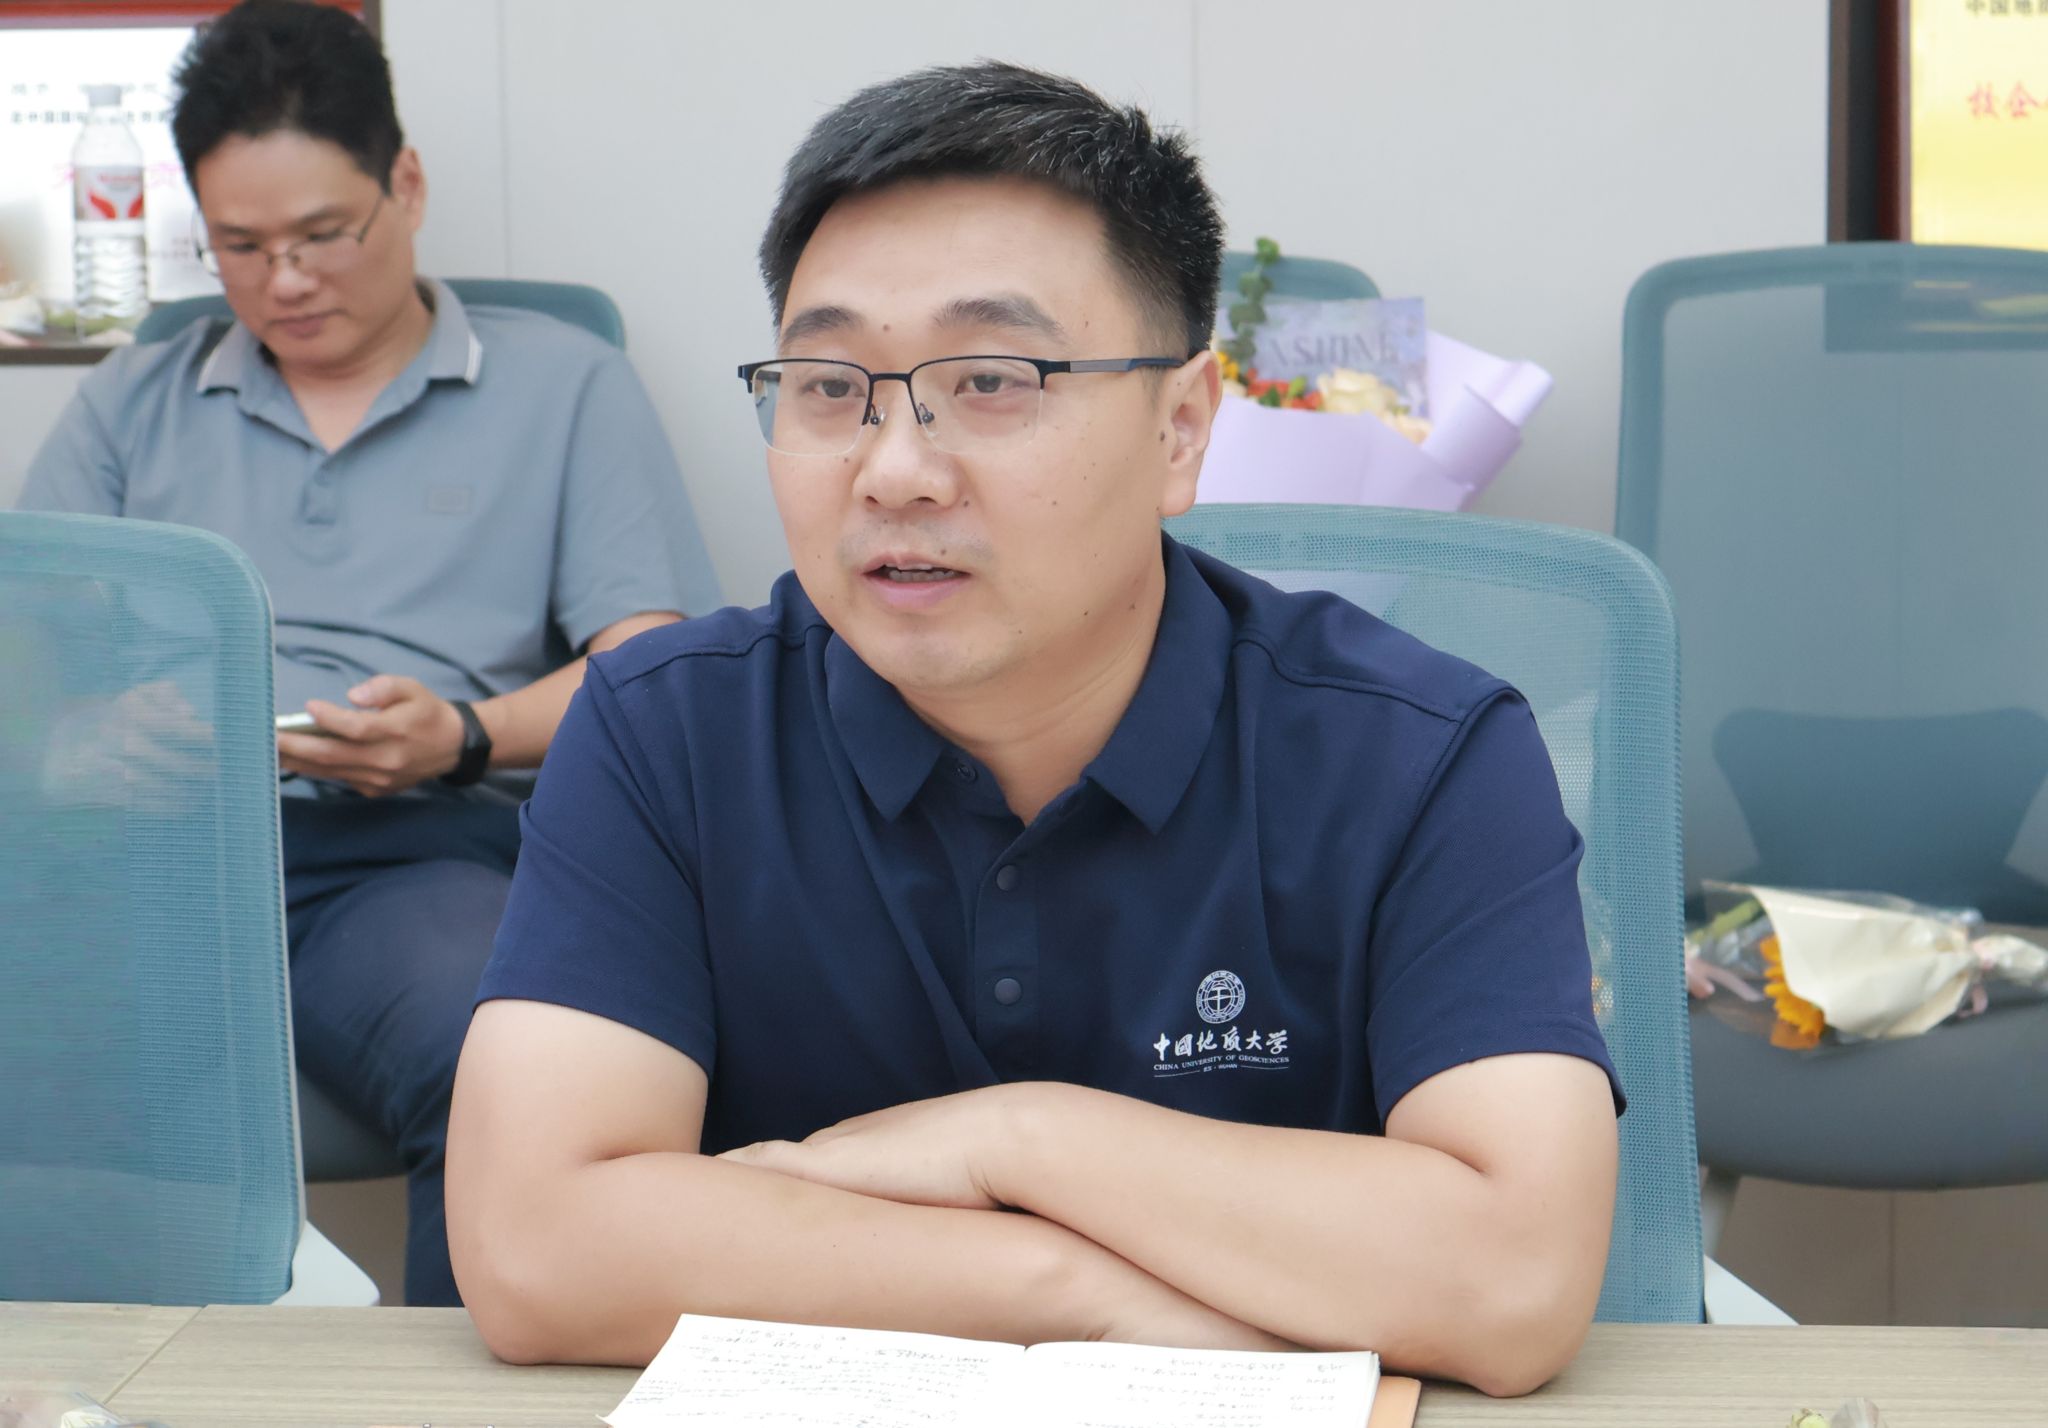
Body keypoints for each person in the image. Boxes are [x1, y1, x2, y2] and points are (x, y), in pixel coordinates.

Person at [447, 62, 1618, 1395]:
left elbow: (1514, 1280)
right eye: (828, 385)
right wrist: (1068, 1292)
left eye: (992, 380)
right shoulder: (664, 733)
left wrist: (1017, 1141)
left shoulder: (1423, 752)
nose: (893, 470)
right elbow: (535, 1248)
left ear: (1182, 429)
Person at [15, 0, 718, 1306]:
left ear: (406, 185)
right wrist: (82, 746)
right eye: (240, 246)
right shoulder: (133, 400)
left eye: (322, 234)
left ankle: (461, 1389)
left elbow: (649, 672)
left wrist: (462, 737)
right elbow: (22, 666)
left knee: (495, 1053)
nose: (284, 281)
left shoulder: (564, 384)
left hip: (408, 860)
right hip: (149, 860)